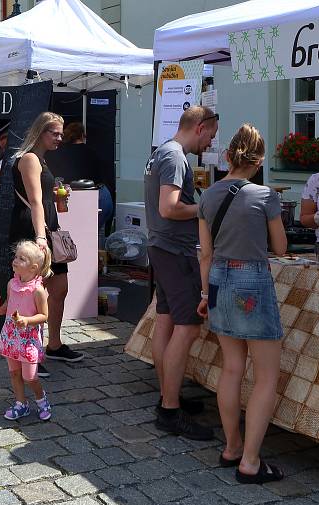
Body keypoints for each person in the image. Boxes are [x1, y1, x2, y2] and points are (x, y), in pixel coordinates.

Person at [197, 124, 287, 484]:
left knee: (232, 368)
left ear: (228, 156)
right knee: (266, 376)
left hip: (218, 279)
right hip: (251, 279)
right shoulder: (265, 195)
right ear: (259, 159)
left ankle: (232, 446)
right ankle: (250, 461)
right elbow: (280, 249)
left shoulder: (207, 196)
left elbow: (205, 255)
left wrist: (205, 295)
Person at [144, 105, 218, 440]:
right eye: (211, 136)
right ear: (200, 127)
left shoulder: (163, 152)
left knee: (166, 322)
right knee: (186, 328)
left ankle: (167, 395)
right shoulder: (175, 157)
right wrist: (206, 207)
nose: (210, 144)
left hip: (163, 247)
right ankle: (170, 410)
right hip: (176, 250)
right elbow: (169, 208)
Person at [11, 112, 84, 379]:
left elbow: (44, 199)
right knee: (33, 296)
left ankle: (53, 344)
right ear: (41, 132)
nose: (60, 138)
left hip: (47, 230)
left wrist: (58, 198)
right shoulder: (29, 158)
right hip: (35, 232)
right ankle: (30, 351)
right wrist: (41, 237)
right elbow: (35, 201)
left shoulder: (40, 159)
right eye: (55, 133)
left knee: (59, 289)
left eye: (61, 133)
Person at [0, 240, 52, 421]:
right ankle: (21, 403)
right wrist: (1, 310)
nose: (15, 260)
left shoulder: (38, 291)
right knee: (14, 372)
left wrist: (27, 320)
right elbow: (10, 303)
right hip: (11, 335)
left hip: (28, 338)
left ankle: (42, 400)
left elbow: (44, 315)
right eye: (16, 257)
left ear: (33, 268)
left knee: (30, 376)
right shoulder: (12, 284)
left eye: (21, 259)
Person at [45, 122, 113, 230]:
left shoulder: (55, 153)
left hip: (69, 196)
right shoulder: (92, 152)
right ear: (82, 135)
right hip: (99, 195)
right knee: (95, 234)